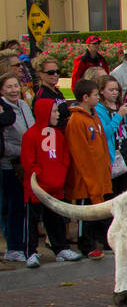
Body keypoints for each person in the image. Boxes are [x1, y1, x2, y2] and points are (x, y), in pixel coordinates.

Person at [20, 97, 80, 265]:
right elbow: (29, 162)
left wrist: (60, 176)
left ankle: (61, 248)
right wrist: (42, 178)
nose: (57, 114)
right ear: (44, 113)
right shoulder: (30, 135)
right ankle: (30, 253)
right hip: (36, 190)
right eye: (54, 111)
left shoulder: (58, 135)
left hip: (55, 189)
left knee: (56, 221)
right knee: (32, 222)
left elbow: (64, 158)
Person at [64, 79, 112, 257]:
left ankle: (99, 241)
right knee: (86, 213)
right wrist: (90, 179)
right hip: (86, 179)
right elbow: (80, 154)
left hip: (99, 175)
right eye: (95, 95)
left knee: (98, 211)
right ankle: (86, 245)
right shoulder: (76, 120)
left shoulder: (94, 116)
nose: (98, 98)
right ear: (85, 97)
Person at [1, 71, 34, 262]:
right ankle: (13, 246)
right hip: (11, 165)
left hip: (27, 163)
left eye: (16, 86)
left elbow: (31, 129)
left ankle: (22, 244)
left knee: (24, 206)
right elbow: (4, 142)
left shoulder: (23, 104)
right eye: (9, 87)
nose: (14, 90)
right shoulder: (3, 109)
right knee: (14, 206)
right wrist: (23, 150)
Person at [95, 73, 127, 198]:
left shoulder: (120, 106)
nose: (115, 93)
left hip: (125, 154)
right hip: (111, 157)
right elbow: (105, 133)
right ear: (101, 91)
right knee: (110, 194)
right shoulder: (98, 110)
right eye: (111, 90)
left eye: (117, 90)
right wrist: (118, 116)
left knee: (122, 193)